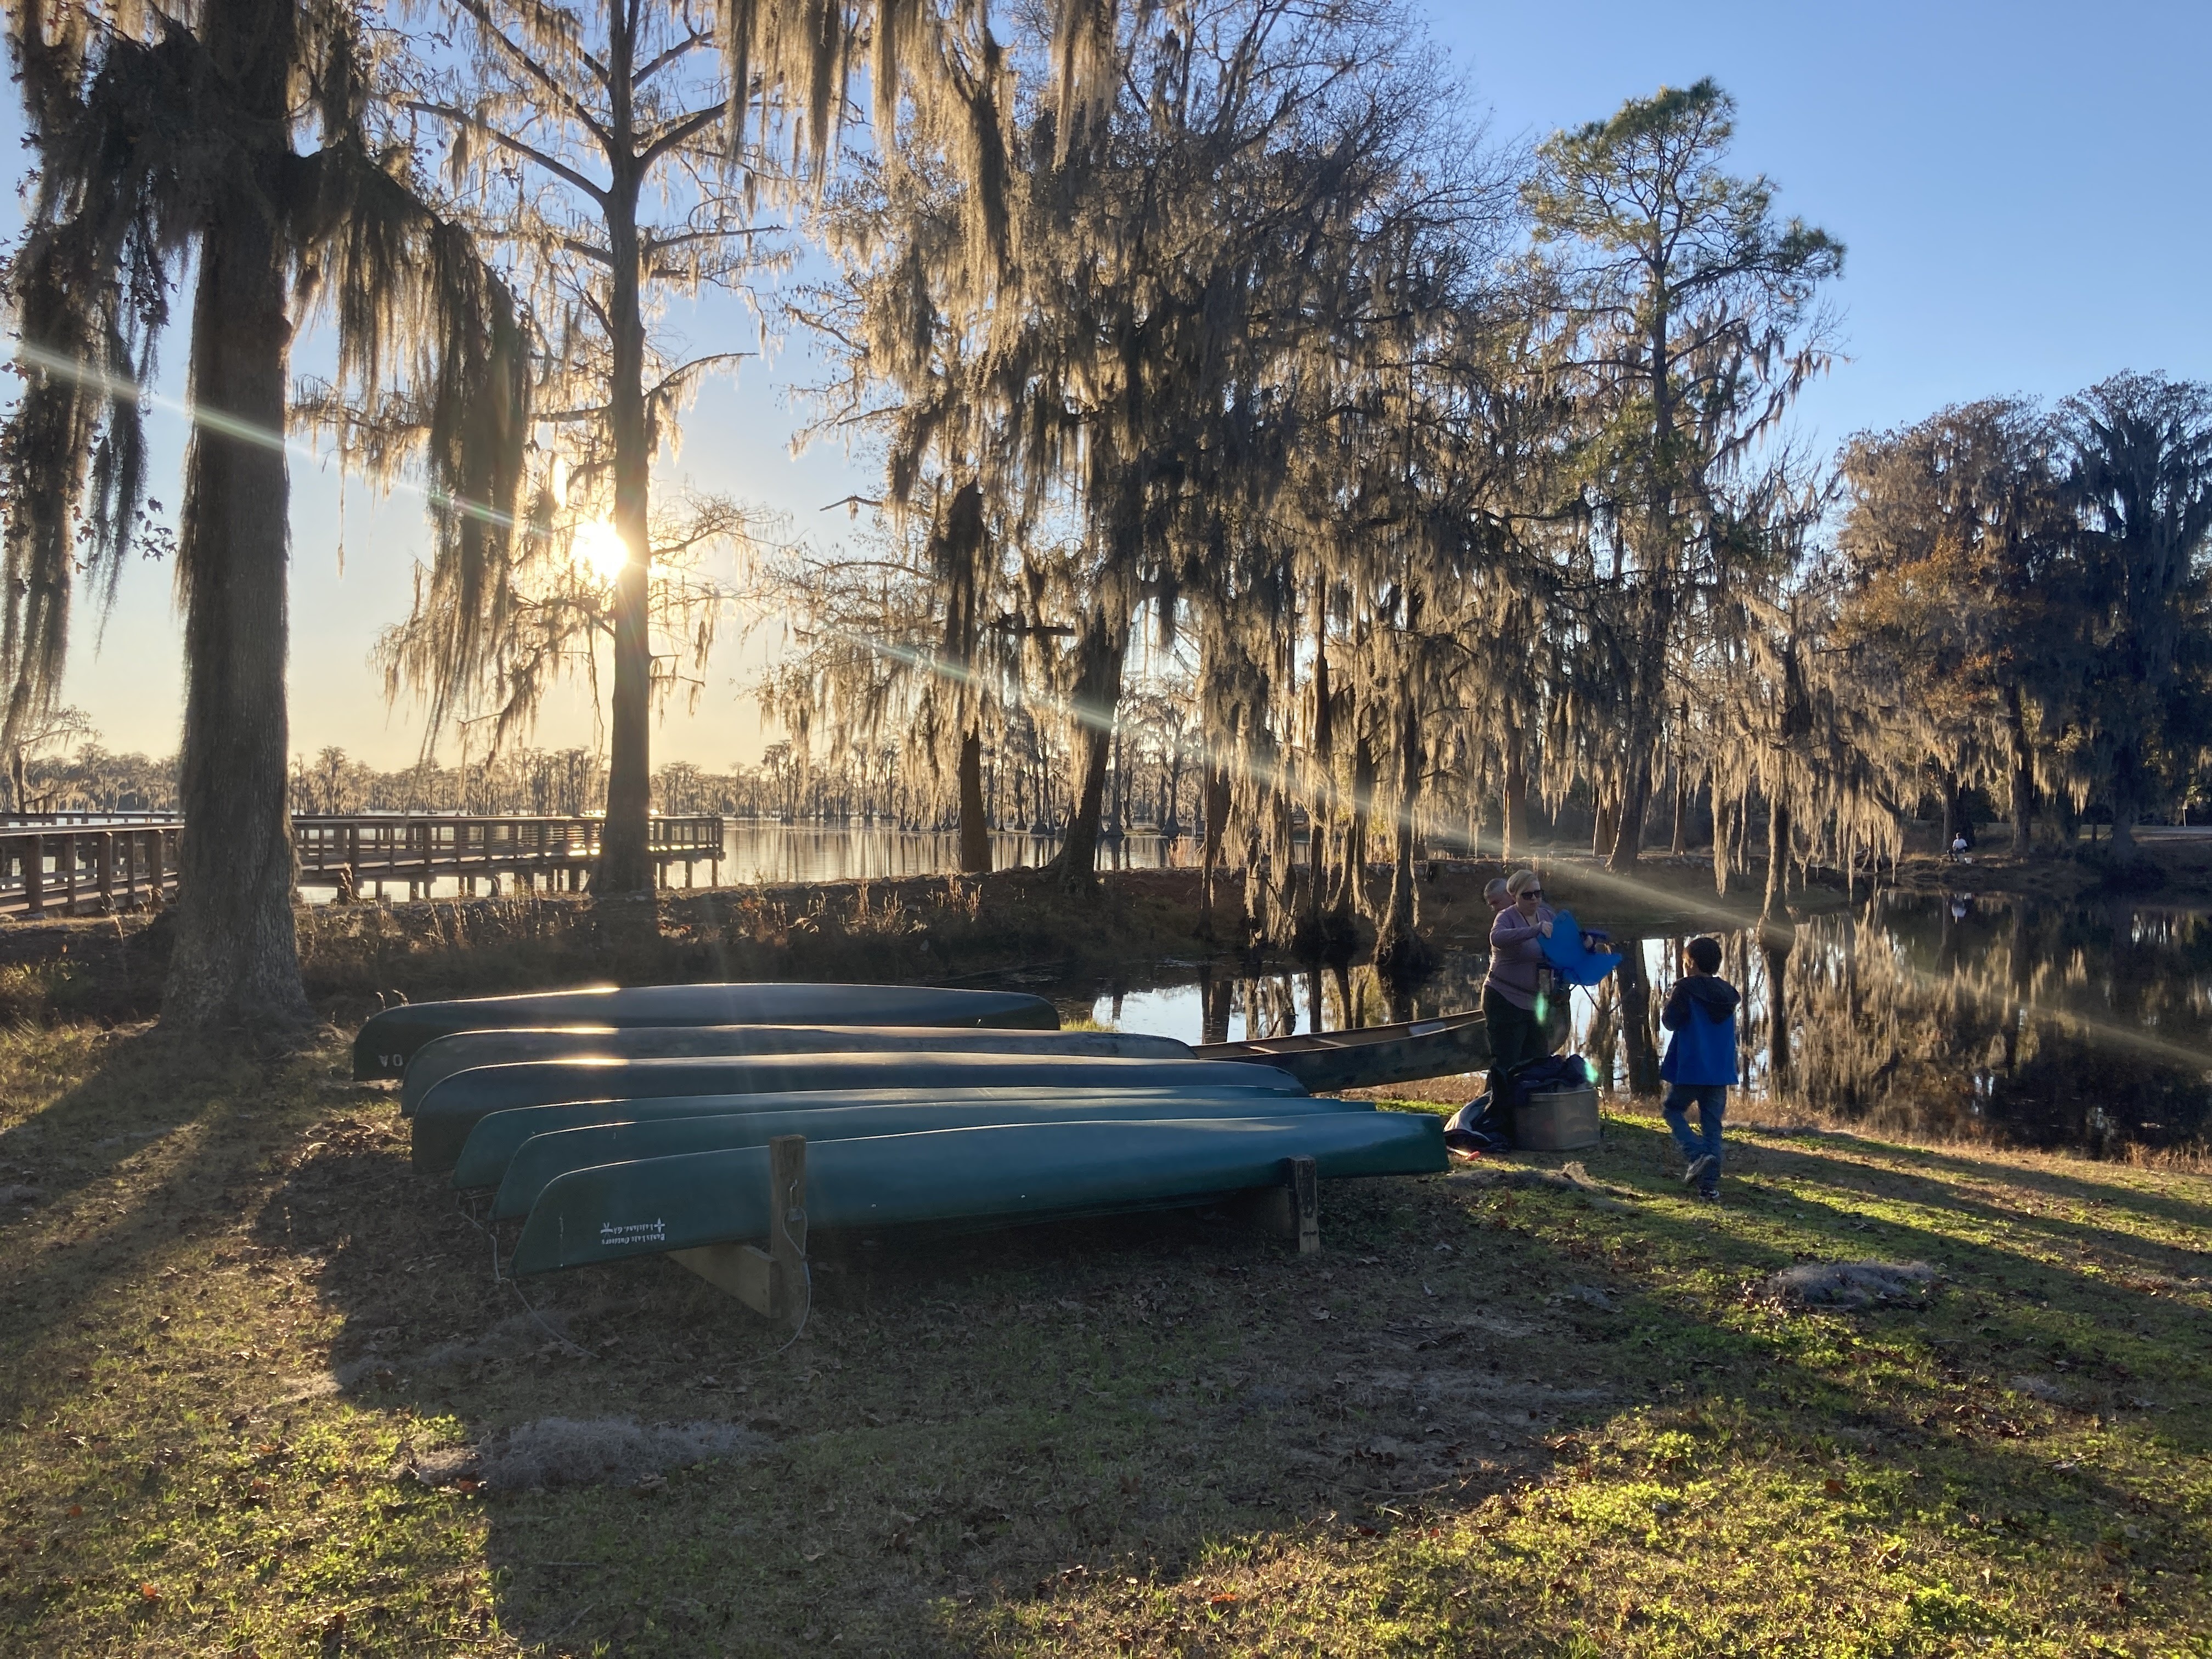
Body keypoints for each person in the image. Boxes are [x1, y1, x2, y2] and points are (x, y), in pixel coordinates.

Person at [1660, 936, 1741, 1202]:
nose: (1684, 967)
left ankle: (1696, 1155)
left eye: (1685, 962)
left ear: (1691, 964)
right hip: (1719, 1072)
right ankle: (1709, 1189)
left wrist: (1668, 1001)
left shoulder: (1686, 989)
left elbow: (1670, 1022)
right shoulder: (1728, 994)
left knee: (1672, 1110)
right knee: (1712, 1127)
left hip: (1692, 1067)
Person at [1484, 868, 1553, 1098]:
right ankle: (1491, 1112)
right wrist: (1534, 931)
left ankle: (1529, 1112)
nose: (1534, 899)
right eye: (1527, 895)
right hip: (1504, 998)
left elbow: (1568, 941)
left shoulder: (1546, 915)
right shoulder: (1506, 917)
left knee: (1538, 1058)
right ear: (1514, 895)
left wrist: (1588, 942)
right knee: (1507, 1062)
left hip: (1536, 1002)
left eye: (1538, 893)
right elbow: (1497, 938)